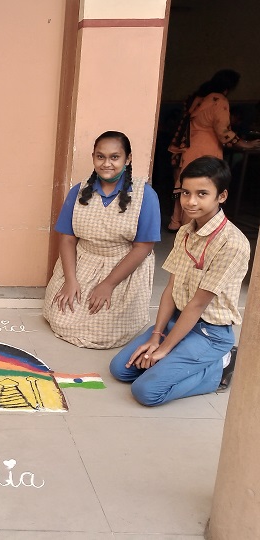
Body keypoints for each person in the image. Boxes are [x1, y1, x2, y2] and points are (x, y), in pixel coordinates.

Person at [109, 157, 250, 406]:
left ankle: (222, 366)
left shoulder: (233, 243)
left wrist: (163, 350)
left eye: (202, 194)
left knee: (147, 392)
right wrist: (156, 335)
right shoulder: (185, 231)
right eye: (186, 193)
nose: (191, 201)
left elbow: (197, 305)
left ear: (222, 196)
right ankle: (177, 359)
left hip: (209, 333)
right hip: (179, 320)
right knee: (121, 369)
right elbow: (171, 288)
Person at [43, 131, 161, 349]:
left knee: (105, 330)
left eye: (115, 157)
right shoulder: (78, 192)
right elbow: (67, 240)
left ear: (128, 159)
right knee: (62, 317)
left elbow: (143, 248)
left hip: (122, 268)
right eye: (100, 157)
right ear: (93, 157)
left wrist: (108, 284)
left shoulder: (145, 195)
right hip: (84, 262)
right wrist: (70, 281)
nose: (107, 163)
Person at [167, 69, 260, 231]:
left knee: (186, 188)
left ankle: (175, 223)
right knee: (202, 191)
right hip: (206, 151)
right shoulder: (219, 100)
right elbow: (224, 133)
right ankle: (192, 228)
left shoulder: (197, 99)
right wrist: (247, 144)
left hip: (188, 149)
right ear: (228, 88)